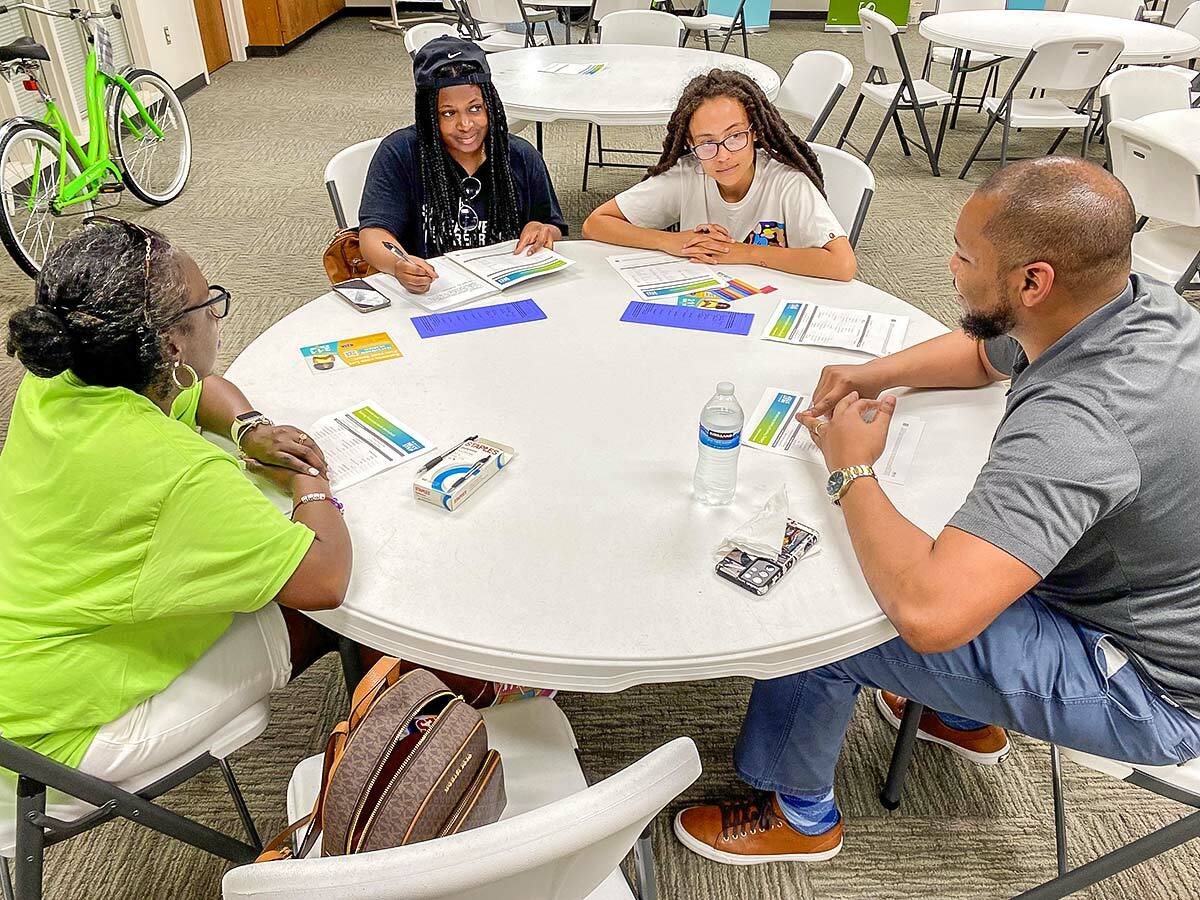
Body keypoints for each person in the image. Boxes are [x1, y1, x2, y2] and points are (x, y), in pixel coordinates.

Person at [672, 157, 1200, 864]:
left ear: (1032, 281)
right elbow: (988, 354)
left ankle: (798, 812)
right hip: (1131, 589)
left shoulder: (1080, 422)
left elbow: (931, 614)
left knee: (825, 618)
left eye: (963, 254)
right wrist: (875, 372)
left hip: (1150, 685)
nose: (947, 266)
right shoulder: (1128, 301)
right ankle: (960, 715)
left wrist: (851, 467)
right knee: (924, 535)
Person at [0, 218, 352, 784]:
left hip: (18, 681)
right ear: (170, 344)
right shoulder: (179, 472)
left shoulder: (61, 380)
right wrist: (312, 483)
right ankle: (396, 755)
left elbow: (198, 389)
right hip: (58, 744)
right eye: (209, 305)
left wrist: (248, 427)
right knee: (343, 616)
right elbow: (323, 580)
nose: (216, 314)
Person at [582, 69, 856, 282]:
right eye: (706, 143)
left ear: (755, 131)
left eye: (735, 136)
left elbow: (842, 264)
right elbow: (595, 224)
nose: (723, 155)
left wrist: (744, 253)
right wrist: (671, 241)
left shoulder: (787, 183)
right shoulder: (688, 174)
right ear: (690, 144)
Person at [358, 36, 568, 294]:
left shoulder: (520, 156)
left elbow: (552, 226)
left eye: (475, 108)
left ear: (491, 106)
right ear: (429, 115)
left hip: (510, 291)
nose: (465, 124)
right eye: (448, 113)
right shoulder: (400, 154)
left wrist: (542, 228)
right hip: (433, 292)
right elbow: (372, 234)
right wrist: (398, 264)